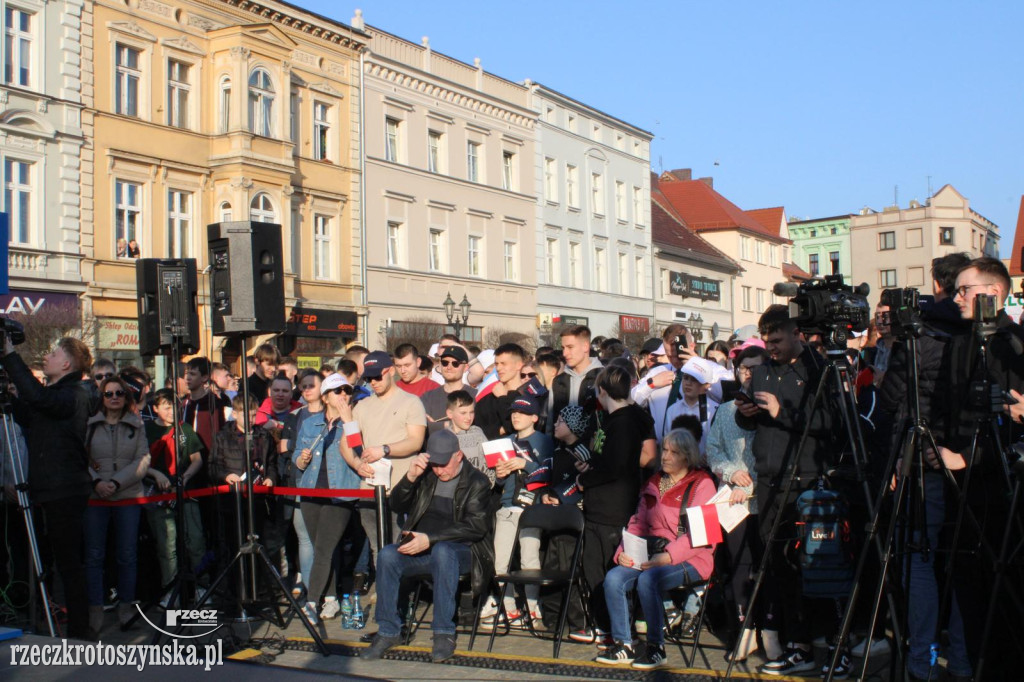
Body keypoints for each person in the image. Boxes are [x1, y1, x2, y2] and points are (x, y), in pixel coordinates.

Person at [735, 305, 838, 676]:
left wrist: (783, 413)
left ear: (797, 333)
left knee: (814, 566)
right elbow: (747, 419)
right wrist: (744, 412)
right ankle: (798, 644)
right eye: (765, 340)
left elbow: (832, 422)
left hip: (806, 479)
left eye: (776, 340)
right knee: (779, 566)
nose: (770, 347)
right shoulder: (762, 370)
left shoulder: (819, 370)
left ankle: (825, 642)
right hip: (769, 479)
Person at [362, 430, 492, 663]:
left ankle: (443, 632)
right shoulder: (426, 474)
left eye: (444, 464)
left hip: (463, 551)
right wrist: (411, 476)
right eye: (435, 464)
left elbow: (476, 526)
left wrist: (429, 538)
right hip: (424, 549)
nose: (439, 470)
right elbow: (396, 504)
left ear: (459, 455)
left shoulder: (477, 482)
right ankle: (388, 631)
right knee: (388, 555)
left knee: (443, 551)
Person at [597, 429, 718, 668]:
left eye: (674, 452)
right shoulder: (653, 482)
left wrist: (670, 556)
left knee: (648, 580)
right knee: (613, 578)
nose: (665, 456)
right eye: (664, 450)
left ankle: (655, 648)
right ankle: (624, 644)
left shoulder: (702, 484)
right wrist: (623, 550)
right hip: (651, 552)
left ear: (687, 456)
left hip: (692, 556)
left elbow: (703, 536)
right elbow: (637, 521)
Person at [2, 336, 94, 638]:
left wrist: (10, 355)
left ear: (67, 364)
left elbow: (40, 401)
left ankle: (80, 631)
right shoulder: (56, 394)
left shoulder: (74, 393)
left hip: (65, 489)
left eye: (54, 353)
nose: (47, 356)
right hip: (49, 488)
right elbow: (31, 414)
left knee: (69, 563)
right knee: (52, 560)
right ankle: (56, 620)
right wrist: (11, 396)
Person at [562, 364, 653, 644]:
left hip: (615, 507)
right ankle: (606, 626)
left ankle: (621, 630)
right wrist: (588, 465)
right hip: (598, 506)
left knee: (612, 571)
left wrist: (583, 481)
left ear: (603, 391)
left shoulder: (626, 420)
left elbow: (617, 466)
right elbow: (605, 459)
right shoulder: (611, 418)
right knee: (594, 570)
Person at [706, 345, 769, 659]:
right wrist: (732, 472)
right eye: (745, 368)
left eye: (756, 368)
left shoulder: (773, 407)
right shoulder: (726, 409)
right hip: (734, 503)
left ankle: (771, 631)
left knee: (767, 567)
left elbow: (776, 454)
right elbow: (712, 451)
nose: (750, 373)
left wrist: (754, 483)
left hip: (765, 500)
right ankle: (743, 630)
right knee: (737, 567)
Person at [343, 351, 427, 567]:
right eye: (369, 378)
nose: (373, 383)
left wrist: (385, 449)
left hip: (401, 487)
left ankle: (402, 595)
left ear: (390, 371)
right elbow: (345, 441)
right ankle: (384, 594)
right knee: (376, 546)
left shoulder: (411, 402)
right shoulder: (362, 406)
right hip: (369, 488)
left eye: (377, 377)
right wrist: (357, 463)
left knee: (400, 545)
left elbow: (416, 441)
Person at [293, 373, 362, 624]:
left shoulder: (354, 421)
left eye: (347, 390)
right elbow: (296, 458)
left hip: (341, 493)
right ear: (325, 397)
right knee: (323, 547)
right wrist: (301, 459)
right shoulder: (311, 423)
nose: (344, 395)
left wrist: (348, 421)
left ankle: (311, 601)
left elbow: (359, 452)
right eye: (338, 391)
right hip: (312, 490)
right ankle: (331, 598)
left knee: (323, 548)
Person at [480, 394, 553, 628]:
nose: (516, 416)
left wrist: (526, 464)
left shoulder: (544, 441)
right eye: (513, 412)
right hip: (508, 506)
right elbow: (500, 482)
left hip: (533, 506)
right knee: (500, 563)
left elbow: (549, 474)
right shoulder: (505, 441)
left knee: (530, 559)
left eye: (522, 412)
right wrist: (500, 476)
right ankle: (510, 609)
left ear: (534, 417)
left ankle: (533, 609)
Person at [84, 376, 149, 633]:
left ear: (126, 396)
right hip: (95, 498)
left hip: (127, 496)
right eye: (108, 393)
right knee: (94, 556)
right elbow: (81, 457)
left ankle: (126, 606)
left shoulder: (137, 424)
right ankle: (95, 609)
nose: (113, 398)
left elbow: (143, 460)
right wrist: (97, 481)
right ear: (101, 397)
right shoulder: (89, 425)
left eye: (119, 393)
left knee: (127, 555)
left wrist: (117, 483)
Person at [209, 393, 278, 600]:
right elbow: (212, 467)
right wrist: (226, 476)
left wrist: (271, 478)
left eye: (254, 414)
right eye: (246, 414)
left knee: (258, 545)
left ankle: (257, 591)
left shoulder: (263, 436)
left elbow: (272, 463)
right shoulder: (222, 437)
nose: (250, 419)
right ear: (235, 413)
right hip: (232, 502)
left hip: (257, 501)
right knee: (234, 547)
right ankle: (236, 593)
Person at [144, 388, 206, 594]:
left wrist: (187, 475)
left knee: (195, 541)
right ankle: (170, 591)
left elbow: (196, 459)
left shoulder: (185, 429)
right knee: (167, 546)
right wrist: (155, 475)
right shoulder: (146, 430)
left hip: (185, 492)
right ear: (155, 408)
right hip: (158, 493)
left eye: (174, 407)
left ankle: (201, 588)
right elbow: (138, 461)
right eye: (166, 407)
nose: (172, 412)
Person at [281, 369, 324, 597]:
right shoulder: (295, 416)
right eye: (303, 386)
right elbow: (283, 447)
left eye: (312, 385)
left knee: (324, 541)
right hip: (300, 482)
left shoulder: (331, 414)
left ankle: (327, 592)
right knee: (304, 539)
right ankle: (309, 590)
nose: (306, 390)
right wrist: (299, 450)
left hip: (327, 485)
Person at [631, 324, 697, 442]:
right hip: (661, 449)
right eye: (669, 356)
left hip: (694, 449)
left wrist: (698, 364)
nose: (674, 360)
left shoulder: (702, 373)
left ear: (691, 347)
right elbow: (631, 400)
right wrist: (651, 384)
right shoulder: (657, 372)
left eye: (677, 354)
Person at [549, 325, 602, 434]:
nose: (564, 353)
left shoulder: (603, 378)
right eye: (563, 348)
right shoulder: (558, 381)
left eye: (570, 347)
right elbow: (551, 422)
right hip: (561, 448)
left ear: (585, 346)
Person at [663, 357, 719, 455]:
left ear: (706, 385)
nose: (688, 383)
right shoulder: (672, 410)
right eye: (686, 378)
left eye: (694, 380)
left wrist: (708, 457)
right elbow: (668, 440)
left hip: (707, 467)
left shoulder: (716, 410)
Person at [474, 343, 528, 439]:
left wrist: (502, 398)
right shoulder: (487, 398)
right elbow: (477, 429)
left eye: (503, 364)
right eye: (496, 364)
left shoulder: (530, 396)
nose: (498, 368)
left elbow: (518, 426)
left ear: (519, 365)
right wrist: (500, 430)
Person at [421, 346, 476, 434]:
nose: (449, 367)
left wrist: (438, 425)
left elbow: (477, 427)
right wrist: (453, 424)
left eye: (455, 363)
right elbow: (422, 427)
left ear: (466, 367)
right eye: (445, 362)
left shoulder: (475, 395)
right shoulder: (428, 397)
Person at [444, 390, 490, 482]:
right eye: (463, 413)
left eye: (472, 412)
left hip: (482, 489)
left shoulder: (478, 433)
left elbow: (489, 464)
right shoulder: (444, 439)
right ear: (450, 413)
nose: (469, 417)